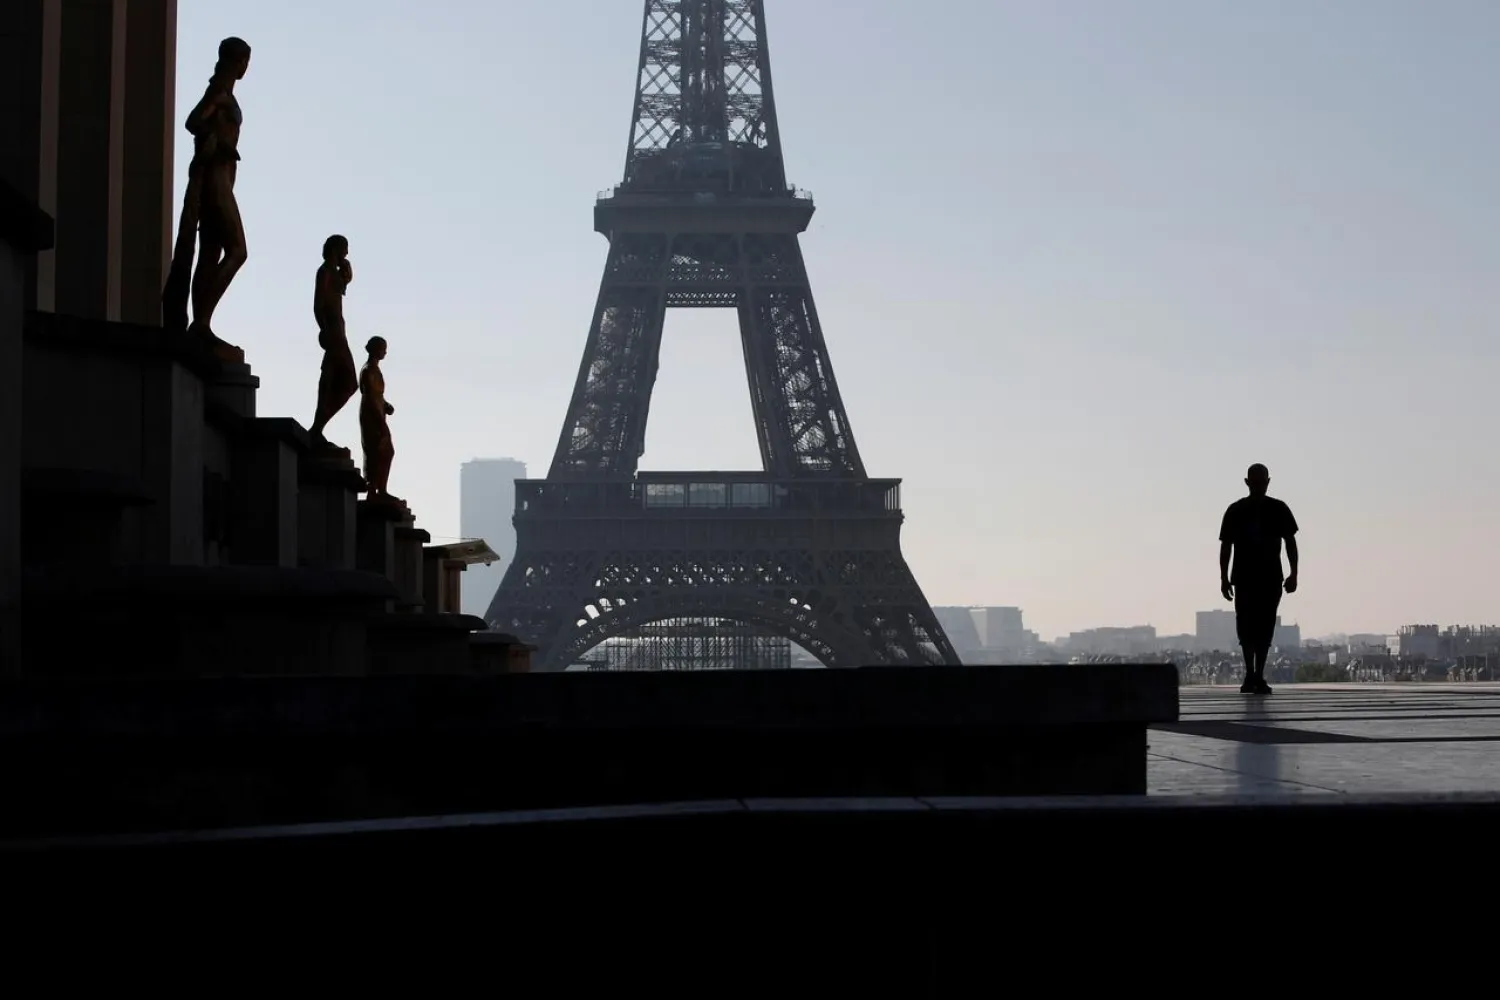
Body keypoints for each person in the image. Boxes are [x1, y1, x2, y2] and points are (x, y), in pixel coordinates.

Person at [1219, 463, 1299, 694]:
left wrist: (1224, 578)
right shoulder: (1275, 508)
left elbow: (1226, 547)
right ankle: (1254, 674)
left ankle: (1254, 674)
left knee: (1256, 627)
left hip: (1258, 578)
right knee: (1254, 627)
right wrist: (1294, 573)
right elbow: (1290, 543)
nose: (1259, 486)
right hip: (1258, 577)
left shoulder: (1238, 510)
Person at [309, 235, 356, 442]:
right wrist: (324, 329)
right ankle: (318, 425)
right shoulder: (325, 272)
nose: (346, 253)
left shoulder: (334, 272)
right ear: (335, 249)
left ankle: (319, 424)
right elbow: (318, 303)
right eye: (344, 249)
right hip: (333, 331)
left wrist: (346, 268)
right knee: (339, 379)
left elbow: (345, 281)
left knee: (337, 378)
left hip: (339, 330)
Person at [358, 336, 397, 501]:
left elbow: (377, 396)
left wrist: (386, 405)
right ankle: (374, 489)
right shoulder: (368, 370)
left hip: (378, 413)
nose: (385, 352)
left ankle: (381, 489)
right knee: (377, 451)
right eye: (383, 348)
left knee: (384, 451)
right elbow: (370, 397)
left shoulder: (375, 369)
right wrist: (380, 420)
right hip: (371, 416)